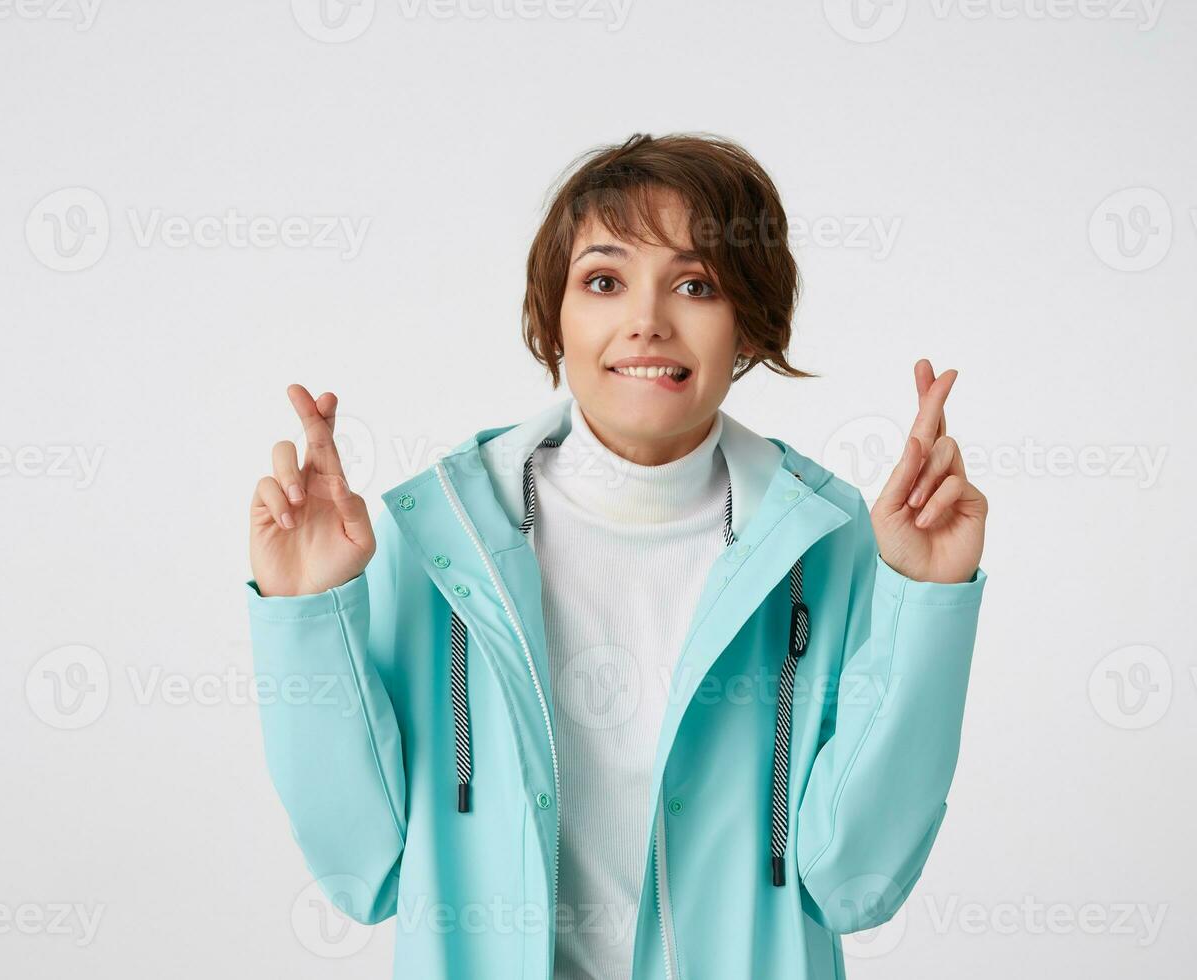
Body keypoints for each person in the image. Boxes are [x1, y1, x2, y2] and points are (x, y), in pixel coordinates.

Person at [245, 132, 989, 980]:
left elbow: (856, 883)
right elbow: (364, 872)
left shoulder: (830, 541)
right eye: (604, 280)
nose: (647, 319)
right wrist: (308, 615)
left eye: (696, 283)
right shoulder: (437, 538)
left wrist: (929, 598)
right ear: (552, 316)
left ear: (748, 323)